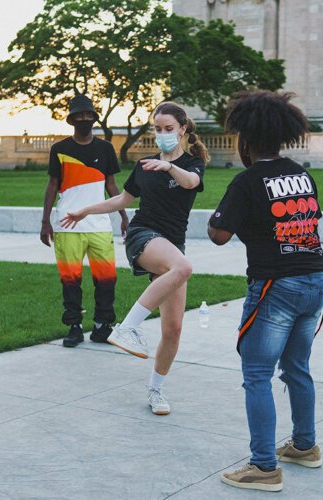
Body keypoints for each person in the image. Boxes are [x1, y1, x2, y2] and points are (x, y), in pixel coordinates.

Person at [208, 91, 323, 493]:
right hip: (316, 279)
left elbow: (219, 234)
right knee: (297, 368)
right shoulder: (302, 174)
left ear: (245, 139)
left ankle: (263, 467)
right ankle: (304, 446)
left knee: (257, 374)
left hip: (276, 286)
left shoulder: (246, 182)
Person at [61, 102, 208, 415]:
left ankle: (155, 391)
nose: (163, 134)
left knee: (173, 329)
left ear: (182, 129)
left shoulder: (192, 164)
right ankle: (126, 328)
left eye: (169, 128)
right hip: (143, 236)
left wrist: (169, 166)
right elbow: (122, 200)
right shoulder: (144, 166)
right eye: (158, 128)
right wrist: (86, 209)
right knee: (183, 267)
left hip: (172, 246)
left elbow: (191, 183)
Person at [40, 95, 129, 347]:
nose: (84, 119)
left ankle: (102, 326)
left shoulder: (105, 148)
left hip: (99, 225)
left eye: (88, 115)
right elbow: (52, 185)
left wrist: (123, 216)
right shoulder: (60, 149)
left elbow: (112, 185)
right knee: (70, 280)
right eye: (79, 116)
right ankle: (74, 327)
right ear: (71, 120)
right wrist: (45, 221)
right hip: (68, 225)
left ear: (94, 118)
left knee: (106, 279)